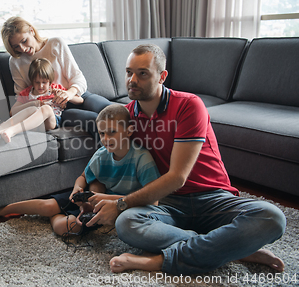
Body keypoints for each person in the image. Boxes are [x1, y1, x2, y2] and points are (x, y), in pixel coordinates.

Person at [83, 44, 287, 275]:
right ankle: (231, 248)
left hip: (212, 197)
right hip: (166, 204)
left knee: (272, 217)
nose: (132, 80)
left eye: (142, 73)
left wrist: (120, 203)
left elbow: (177, 177)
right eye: (129, 72)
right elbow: (105, 160)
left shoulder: (189, 105)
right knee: (127, 223)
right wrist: (92, 194)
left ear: (162, 76)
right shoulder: (126, 117)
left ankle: (161, 261)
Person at [0, 104, 161, 236]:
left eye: (111, 132)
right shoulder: (101, 155)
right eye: (102, 133)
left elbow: (154, 202)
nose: (105, 138)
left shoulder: (141, 158)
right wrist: (77, 189)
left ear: (129, 130)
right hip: (95, 200)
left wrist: (105, 199)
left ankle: (55, 216)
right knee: (46, 205)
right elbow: (82, 177)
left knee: (66, 227)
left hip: (118, 206)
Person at [1, 16, 111, 142]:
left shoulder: (55, 44)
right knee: (93, 119)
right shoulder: (15, 61)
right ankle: (107, 157)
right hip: (56, 108)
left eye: (24, 41)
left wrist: (68, 93)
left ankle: (132, 153)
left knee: (111, 110)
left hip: (76, 95)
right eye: (16, 47)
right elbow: (21, 96)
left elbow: (78, 78)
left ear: (31, 31)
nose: (22, 49)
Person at [0, 58, 82, 143]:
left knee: (46, 109)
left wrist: (65, 95)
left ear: (50, 81)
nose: (40, 86)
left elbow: (80, 100)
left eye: (44, 82)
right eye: (37, 82)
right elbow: (13, 111)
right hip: (32, 124)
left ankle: (12, 131)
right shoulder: (27, 93)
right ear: (32, 81)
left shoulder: (55, 89)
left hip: (51, 122)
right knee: (32, 109)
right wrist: (34, 103)